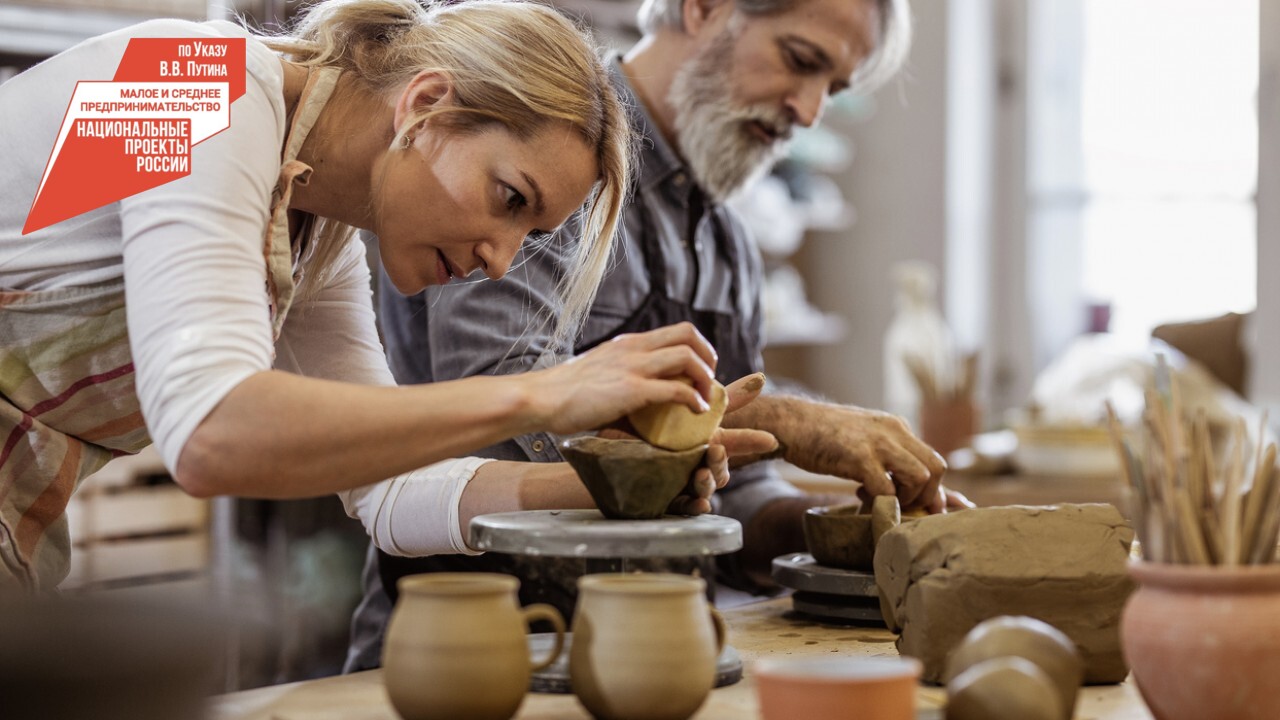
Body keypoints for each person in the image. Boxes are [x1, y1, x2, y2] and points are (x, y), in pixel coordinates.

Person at [0, 0, 773, 594]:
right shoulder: (187, 80)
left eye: (530, 233)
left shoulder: (317, 230)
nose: (501, 263)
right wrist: (542, 395)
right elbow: (210, 431)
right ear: (426, 104)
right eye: (509, 197)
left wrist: (614, 487)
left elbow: (390, 496)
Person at [344, 0, 972, 671]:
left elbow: (718, 489)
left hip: (652, 657)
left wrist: (826, 532)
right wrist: (783, 420)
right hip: (469, 656)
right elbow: (501, 419)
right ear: (701, 9)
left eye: (834, 88)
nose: (810, 110)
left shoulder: (727, 240)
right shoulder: (546, 159)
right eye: (801, 60)